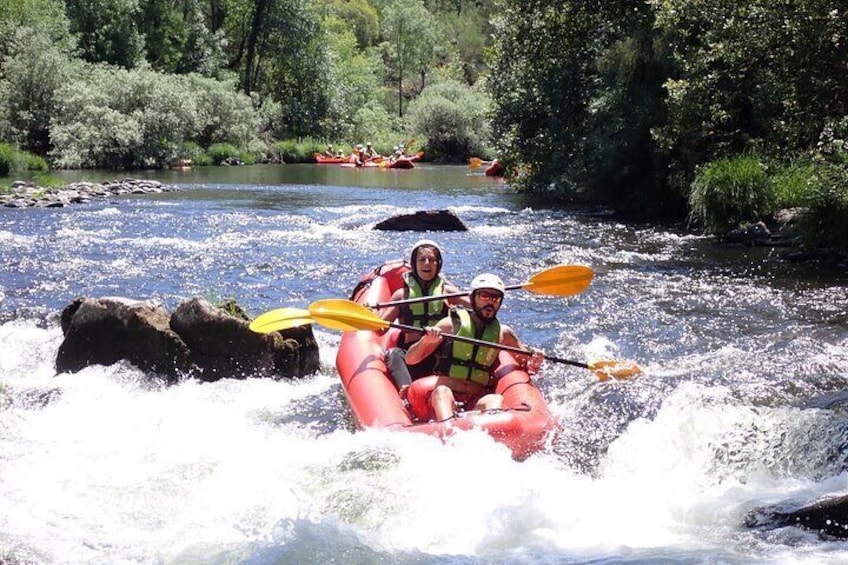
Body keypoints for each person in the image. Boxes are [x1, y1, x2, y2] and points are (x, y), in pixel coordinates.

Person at [403, 273, 544, 421]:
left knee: (494, 400)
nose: (490, 302)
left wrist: (535, 359)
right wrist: (426, 340)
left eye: (495, 298)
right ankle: (448, 428)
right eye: (484, 296)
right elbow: (410, 359)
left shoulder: (504, 334)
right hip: (444, 396)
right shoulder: (450, 325)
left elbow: (526, 364)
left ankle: (488, 433)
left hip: (475, 400)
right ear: (472, 298)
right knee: (442, 392)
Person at [377, 240, 468, 392]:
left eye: (432, 260)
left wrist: (448, 284)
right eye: (422, 260)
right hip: (410, 355)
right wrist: (374, 316)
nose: (427, 264)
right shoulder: (402, 295)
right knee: (394, 354)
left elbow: (478, 306)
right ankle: (405, 390)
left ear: (438, 264)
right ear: (414, 263)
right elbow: (380, 329)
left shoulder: (447, 292)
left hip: (439, 356)